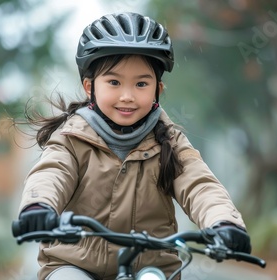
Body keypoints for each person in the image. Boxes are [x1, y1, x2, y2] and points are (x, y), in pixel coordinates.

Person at [14, 12, 252, 280]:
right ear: (89, 86)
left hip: (151, 268)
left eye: (141, 83)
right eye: (114, 82)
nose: (127, 96)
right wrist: (38, 207)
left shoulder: (170, 143)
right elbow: (51, 173)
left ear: (157, 90)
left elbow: (199, 185)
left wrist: (223, 222)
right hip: (75, 264)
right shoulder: (71, 139)